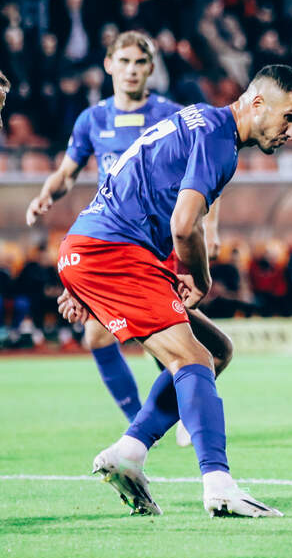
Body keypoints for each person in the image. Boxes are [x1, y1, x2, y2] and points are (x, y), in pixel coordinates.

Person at [54, 64, 292, 517]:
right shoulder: (218, 140)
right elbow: (184, 224)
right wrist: (201, 276)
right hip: (110, 251)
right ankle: (219, 485)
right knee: (192, 359)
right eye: (289, 117)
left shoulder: (200, 120)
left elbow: (136, 184)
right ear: (257, 103)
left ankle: (130, 452)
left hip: (99, 246)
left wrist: (81, 273)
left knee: (216, 350)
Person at [25, 31, 218, 440]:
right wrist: (46, 194)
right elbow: (67, 172)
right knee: (97, 336)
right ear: (109, 65)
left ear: (151, 68)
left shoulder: (172, 115)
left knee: (171, 335)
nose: (131, 70)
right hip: (113, 241)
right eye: (124, 61)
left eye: (140, 62)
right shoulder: (92, 119)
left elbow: (204, 175)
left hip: (159, 240)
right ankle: (141, 419)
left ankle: (177, 415)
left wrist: (210, 228)